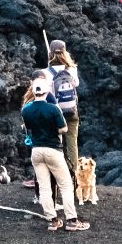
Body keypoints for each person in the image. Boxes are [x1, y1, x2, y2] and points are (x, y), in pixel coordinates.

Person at [22, 75, 90, 232]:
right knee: (66, 185)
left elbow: (28, 128)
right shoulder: (53, 109)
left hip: (36, 151)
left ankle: (52, 220)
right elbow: (64, 129)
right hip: (53, 150)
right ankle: (72, 220)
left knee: (45, 187)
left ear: (33, 91)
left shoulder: (26, 110)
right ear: (46, 91)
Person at [46, 39, 83, 182]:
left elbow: (47, 91)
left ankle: (58, 176)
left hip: (55, 114)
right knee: (72, 143)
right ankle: (74, 175)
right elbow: (77, 84)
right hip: (72, 112)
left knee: (56, 144)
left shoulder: (47, 71)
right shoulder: (72, 69)